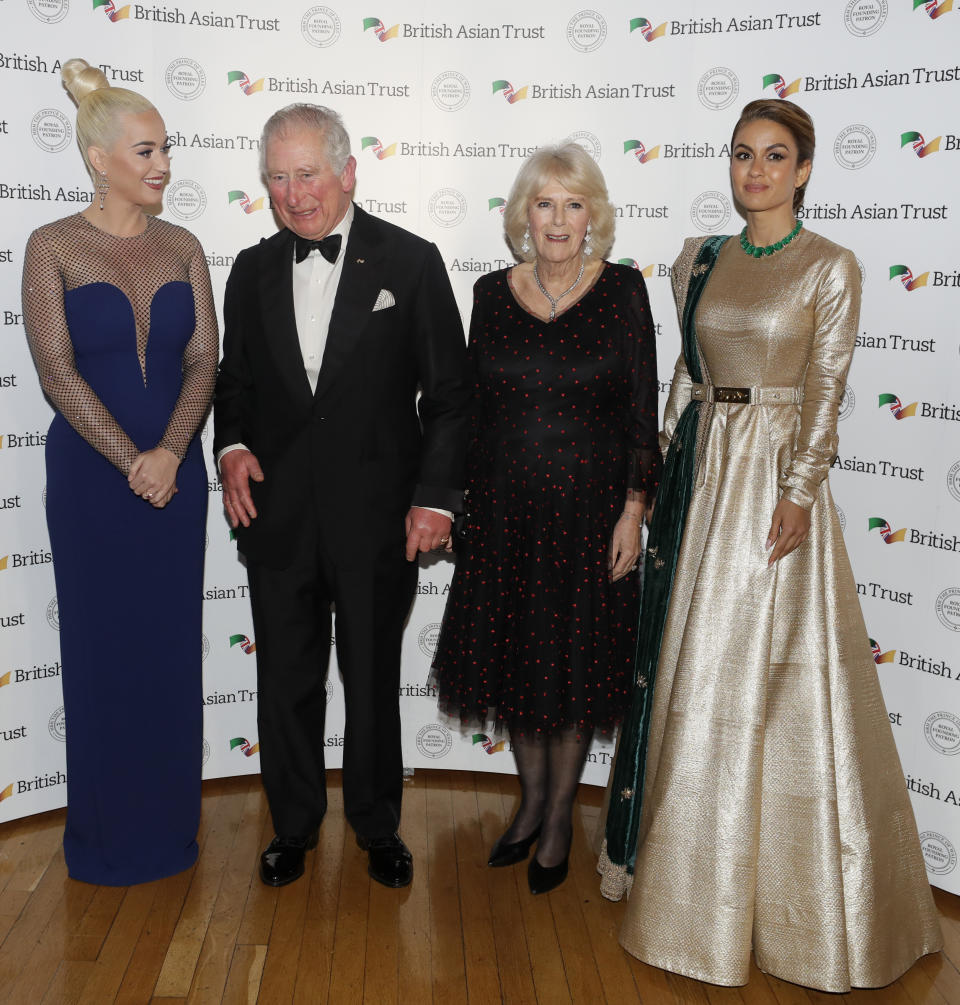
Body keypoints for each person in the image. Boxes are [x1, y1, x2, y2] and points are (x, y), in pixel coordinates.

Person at [598, 99, 942, 990]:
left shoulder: (830, 266)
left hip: (774, 481)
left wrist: (799, 489)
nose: (756, 170)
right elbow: (687, 374)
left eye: (775, 156)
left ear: (804, 170)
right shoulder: (697, 261)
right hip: (702, 476)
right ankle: (686, 893)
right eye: (743, 154)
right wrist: (659, 479)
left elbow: (827, 385)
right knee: (693, 673)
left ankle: (798, 909)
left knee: (772, 682)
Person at [213, 104, 469, 889]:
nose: (295, 195)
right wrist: (231, 447)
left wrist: (435, 497)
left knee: (369, 680)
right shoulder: (252, 269)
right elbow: (237, 382)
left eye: (309, 174)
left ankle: (376, 825)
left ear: (349, 172)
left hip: (378, 522)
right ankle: (291, 825)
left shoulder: (412, 261)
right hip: (277, 518)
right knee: (285, 680)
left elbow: (452, 394)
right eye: (279, 178)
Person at [431, 143, 661, 895]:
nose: (558, 219)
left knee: (570, 665)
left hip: (591, 513)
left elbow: (640, 411)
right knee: (519, 661)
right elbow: (469, 410)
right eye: (544, 203)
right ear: (522, 214)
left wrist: (633, 510)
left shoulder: (625, 290)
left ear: (592, 214)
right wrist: (459, 499)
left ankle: (560, 817)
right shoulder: (490, 295)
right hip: (504, 510)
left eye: (572, 203)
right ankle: (529, 802)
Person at [21, 59, 217, 885]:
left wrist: (170, 452)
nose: (162, 165)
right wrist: (130, 458)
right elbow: (55, 371)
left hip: (177, 480)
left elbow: (205, 358)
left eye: (165, 148)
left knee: (171, 653)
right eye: (145, 151)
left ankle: (171, 831)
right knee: (102, 654)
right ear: (99, 159)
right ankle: (104, 841)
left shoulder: (184, 245)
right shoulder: (52, 245)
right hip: (94, 485)